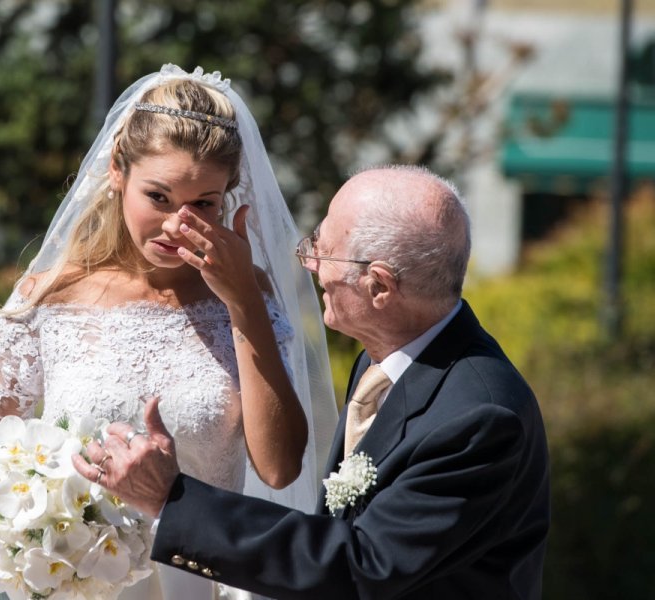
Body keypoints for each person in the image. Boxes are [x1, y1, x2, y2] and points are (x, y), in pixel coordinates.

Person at [75, 165, 551, 600]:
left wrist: (171, 499)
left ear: (379, 287)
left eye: (322, 251)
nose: (309, 263)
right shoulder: (383, 361)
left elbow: (361, 565)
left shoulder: (480, 417)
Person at [0, 64, 339, 600]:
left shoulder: (249, 300)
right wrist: (62, 509)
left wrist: (243, 305)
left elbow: (279, 469)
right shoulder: (50, 298)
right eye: (158, 197)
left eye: (202, 204)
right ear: (118, 171)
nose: (175, 225)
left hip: (204, 582)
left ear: (229, 194)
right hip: (79, 579)